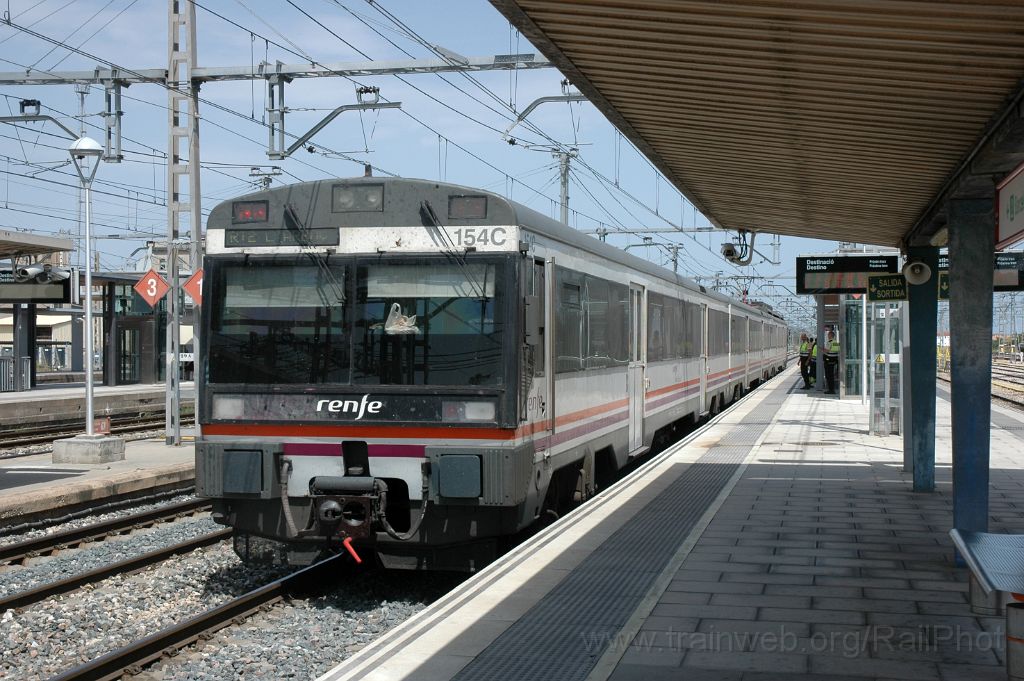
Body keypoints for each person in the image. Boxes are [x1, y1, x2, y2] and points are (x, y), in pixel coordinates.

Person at [823, 330, 840, 394]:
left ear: (830, 335)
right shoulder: (836, 342)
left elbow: (827, 351)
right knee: (832, 375)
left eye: (828, 335)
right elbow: (837, 351)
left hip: (828, 361)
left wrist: (822, 350)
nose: (828, 336)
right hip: (834, 361)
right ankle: (832, 389)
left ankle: (831, 390)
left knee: (828, 376)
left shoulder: (829, 342)